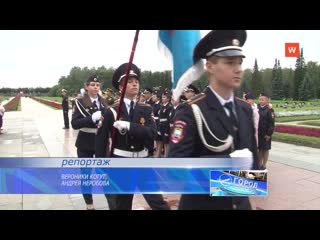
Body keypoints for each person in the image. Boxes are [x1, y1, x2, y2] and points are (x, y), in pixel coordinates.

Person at [168, 30, 259, 210]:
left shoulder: (245, 109)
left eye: (240, 62)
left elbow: (253, 168)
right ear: (209, 66)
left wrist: (250, 177)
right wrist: (227, 163)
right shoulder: (191, 110)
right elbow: (175, 171)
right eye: (230, 62)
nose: (238, 69)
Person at [95, 63, 170, 210]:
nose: (135, 84)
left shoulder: (146, 109)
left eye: (136, 81)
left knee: (158, 202)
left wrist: (130, 126)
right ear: (121, 88)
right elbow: (101, 141)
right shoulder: (111, 111)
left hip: (143, 161)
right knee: (122, 204)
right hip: (121, 163)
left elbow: (151, 133)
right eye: (129, 82)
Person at [71, 75, 110, 210]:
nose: (95, 87)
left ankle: (111, 201)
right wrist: (91, 118)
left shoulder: (104, 102)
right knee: (86, 174)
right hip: (85, 141)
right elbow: (74, 124)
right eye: (92, 84)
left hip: (101, 141)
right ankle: (89, 204)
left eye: (97, 85)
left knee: (105, 173)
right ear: (86, 86)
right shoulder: (80, 102)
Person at [258, 92, 275, 169]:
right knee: (260, 149)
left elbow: (272, 123)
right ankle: (259, 164)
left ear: (267, 100)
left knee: (265, 149)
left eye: (262, 99)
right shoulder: (257, 108)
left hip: (266, 134)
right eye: (260, 99)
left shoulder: (269, 110)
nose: (260, 101)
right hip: (258, 133)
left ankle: (264, 165)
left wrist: (269, 134)